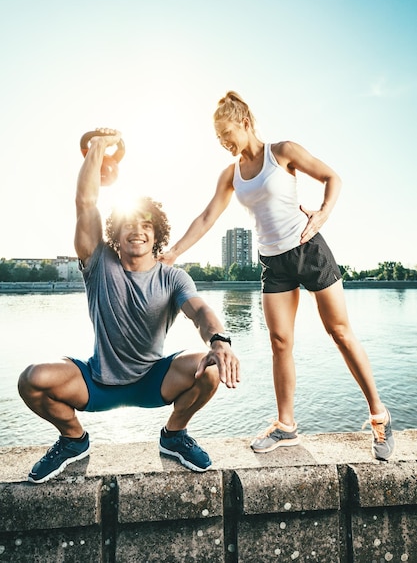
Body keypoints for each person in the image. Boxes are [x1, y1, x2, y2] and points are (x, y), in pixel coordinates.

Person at [160, 91, 394, 461]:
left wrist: (323, 213)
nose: (224, 143)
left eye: (227, 134)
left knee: (340, 333)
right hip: (274, 262)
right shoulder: (231, 175)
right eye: (218, 139)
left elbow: (332, 177)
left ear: (245, 122)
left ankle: (380, 417)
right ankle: (286, 426)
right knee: (280, 342)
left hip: (309, 249)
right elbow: (207, 217)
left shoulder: (282, 151)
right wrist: (174, 252)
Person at [18, 128, 240, 484]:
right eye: (128, 225)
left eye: (145, 225)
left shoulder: (172, 277)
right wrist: (97, 147)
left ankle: (174, 436)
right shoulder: (98, 261)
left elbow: (200, 312)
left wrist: (218, 341)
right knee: (32, 380)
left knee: (210, 370)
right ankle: (73, 439)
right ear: (115, 234)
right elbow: (85, 203)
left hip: (154, 380)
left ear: (157, 234)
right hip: (97, 380)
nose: (137, 230)